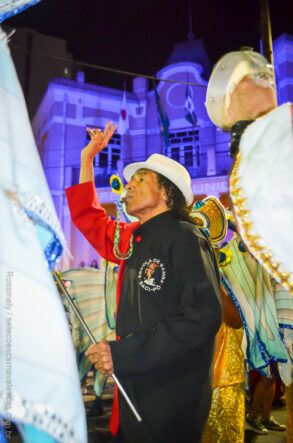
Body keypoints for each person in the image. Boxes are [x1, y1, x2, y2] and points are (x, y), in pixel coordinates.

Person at [65, 123, 222, 442]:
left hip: (171, 396)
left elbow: (203, 317)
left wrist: (124, 353)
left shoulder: (188, 239)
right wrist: (87, 161)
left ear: (166, 192)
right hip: (133, 389)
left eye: (140, 180)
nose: (128, 186)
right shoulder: (131, 237)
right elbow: (90, 218)